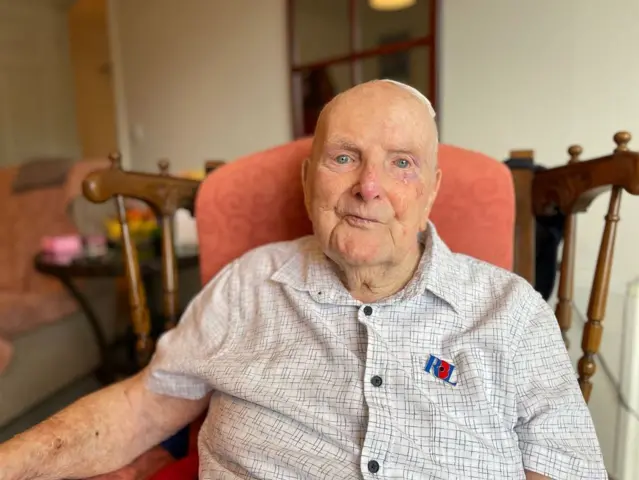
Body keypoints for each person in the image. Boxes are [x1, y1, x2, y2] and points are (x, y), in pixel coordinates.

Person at [0, 80, 607, 479]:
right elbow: (141, 406)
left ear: (431, 193)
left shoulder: (512, 312)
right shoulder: (250, 285)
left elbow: (563, 466)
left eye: (400, 164)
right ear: (308, 178)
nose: (368, 187)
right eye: (345, 157)